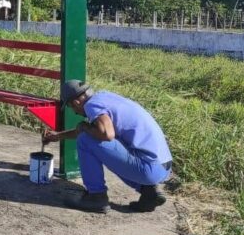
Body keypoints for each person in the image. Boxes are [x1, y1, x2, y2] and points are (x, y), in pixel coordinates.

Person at [43, 80, 172, 213]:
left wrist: (84, 127)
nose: (76, 112)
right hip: (162, 167)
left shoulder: (91, 105)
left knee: (85, 139)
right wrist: (58, 135)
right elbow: (92, 131)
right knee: (93, 136)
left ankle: (96, 197)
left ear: (76, 102)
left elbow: (106, 134)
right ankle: (149, 192)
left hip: (148, 168)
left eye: (72, 108)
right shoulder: (105, 97)